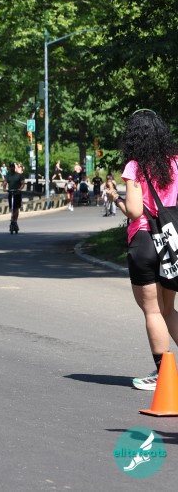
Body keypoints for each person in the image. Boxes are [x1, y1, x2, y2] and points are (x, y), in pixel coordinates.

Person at [104, 109, 178, 391]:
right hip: (171, 241)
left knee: (152, 311)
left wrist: (116, 198)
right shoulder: (175, 162)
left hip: (145, 240)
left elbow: (135, 211)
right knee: (168, 309)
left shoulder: (134, 167)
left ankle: (163, 374)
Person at [6, 162, 24, 233]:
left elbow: (22, 184)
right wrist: (4, 187)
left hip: (17, 193)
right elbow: (5, 182)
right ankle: (13, 220)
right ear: (9, 168)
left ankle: (14, 220)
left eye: (13, 167)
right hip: (11, 193)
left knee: (16, 208)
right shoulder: (8, 175)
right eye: (11, 167)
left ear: (15, 168)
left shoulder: (18, 175)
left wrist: (20, 188)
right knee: (12, 208)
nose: (12, 168)